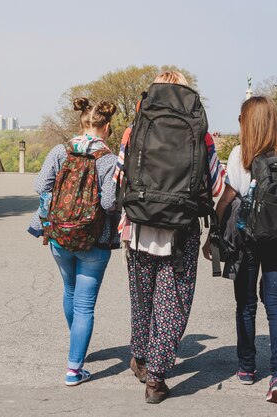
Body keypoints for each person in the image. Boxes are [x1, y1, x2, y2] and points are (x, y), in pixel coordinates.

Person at [114, 71, 225, 403]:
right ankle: (156, 379)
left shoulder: (134, 129)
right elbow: (217, 184)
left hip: (138, 224)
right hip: (181, 229)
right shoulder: (200, 133)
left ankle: (140, 357)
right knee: (172, 301)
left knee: (142, 298)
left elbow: (120, 176)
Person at [202, 96, 277, 404]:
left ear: (248, 122)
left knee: (246, 304)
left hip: (246, 240)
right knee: (276, 306)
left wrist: (213, 236)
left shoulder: (241, 154)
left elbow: (225, 200)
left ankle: (247, 367)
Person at [27, 98, 119, 386]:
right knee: (85, 306)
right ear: (107, 127)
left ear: (81, 123)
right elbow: (108, 202)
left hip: (60, 237)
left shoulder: (60, 151)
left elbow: (40, 186)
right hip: (95, 240)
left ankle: (76, 350)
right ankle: (73, 368)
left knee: (69, 291)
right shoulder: (109, 160)